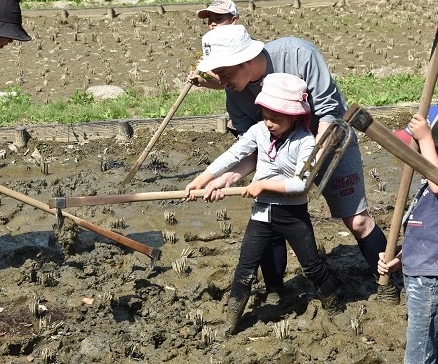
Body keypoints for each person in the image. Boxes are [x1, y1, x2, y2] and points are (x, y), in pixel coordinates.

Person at [188, 24, 397, 303]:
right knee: (269, 214)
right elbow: (251, 147)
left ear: (246, 59)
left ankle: (388, 282)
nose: (221, 81)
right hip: (280, 153)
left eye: (224, 72)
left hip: (330, 139)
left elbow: (328, 112)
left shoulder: (298, 54)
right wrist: (224, 178)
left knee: (357, 220)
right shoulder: (236, 97)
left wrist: (309, 164)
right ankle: (275, 290)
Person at [185, 73, 340, 335]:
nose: (268, 123)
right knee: (245, 269)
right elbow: (234, 154)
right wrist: (205, 178)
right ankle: (231, 321)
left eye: (275, 119)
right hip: (261, 214)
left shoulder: (305, 142)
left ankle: (334, 303)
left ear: (294, 116)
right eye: (265, 115)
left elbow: (302, 184)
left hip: (293, 214)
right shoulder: (259, 131)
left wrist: (263, 185)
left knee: (312, 266)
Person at [378, 111, 438, 364]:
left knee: (419, 354)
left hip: (429, 280)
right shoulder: (427, 184)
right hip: (420, 272)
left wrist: (424, 139)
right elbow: (429, 235)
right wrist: (400, 257)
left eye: (417, 154)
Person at [189, 0, 239, 90]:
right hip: (235, 102)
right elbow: (224, 84)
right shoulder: (217, 47)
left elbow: (236, 81)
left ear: (233, 21)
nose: (213, 24)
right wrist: (203, 82)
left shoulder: (238, 46)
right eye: (210, 20)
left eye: (219, 19)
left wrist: (207, 69)